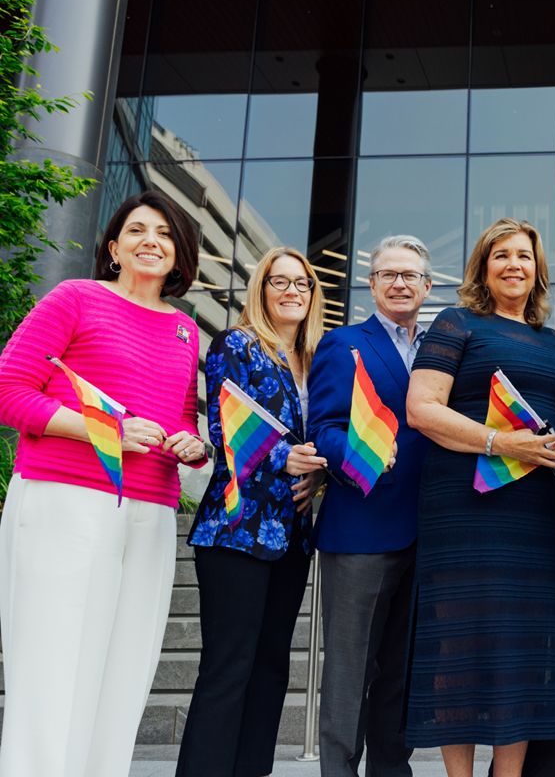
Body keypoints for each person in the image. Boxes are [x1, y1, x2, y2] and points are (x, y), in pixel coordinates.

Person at [0, 190, 206, 777]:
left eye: (165, 233)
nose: (151, 241)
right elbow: (10, 391)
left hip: (150, 512)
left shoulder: (186, 331)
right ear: (113, 248)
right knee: (53, 668)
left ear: (180, 253)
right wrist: (104, 430)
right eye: (137, 230)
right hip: (67, 500)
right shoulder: (76, 298)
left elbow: (178, 420)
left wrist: (194, 444)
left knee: (124, 673)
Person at [405, 218, 555, 777]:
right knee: (459, 645)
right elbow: (421, 409)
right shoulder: (458, 323)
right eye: (500, 255)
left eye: (524, 256)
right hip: (464, 510)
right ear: (483, 267)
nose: (513, 265)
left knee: (522, 655)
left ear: (537, 270)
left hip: (533, 517)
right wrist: (502, 442)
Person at [175, 247, 329, 777]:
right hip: (237, 526)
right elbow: (225, 428)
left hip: (292, 529)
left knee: (270, 668)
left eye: (302, 283)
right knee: (229, 667)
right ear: (261, 289)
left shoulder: (318, 359)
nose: (292, 290)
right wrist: (290, 457)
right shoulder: (237, 345)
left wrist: (321, 471)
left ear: (313, 293)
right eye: (279, 281)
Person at [308, 235, 432, 777]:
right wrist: (362, 456)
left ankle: (391, 770)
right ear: (373, 284)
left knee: (401, 673)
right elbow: (325, 428)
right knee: (348, 671)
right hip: (362, 524)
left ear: (428, 286)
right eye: (389, 274)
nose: (400, 283)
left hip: (428, 531)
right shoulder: (343, 344)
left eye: (411, 275)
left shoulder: (442, 348)